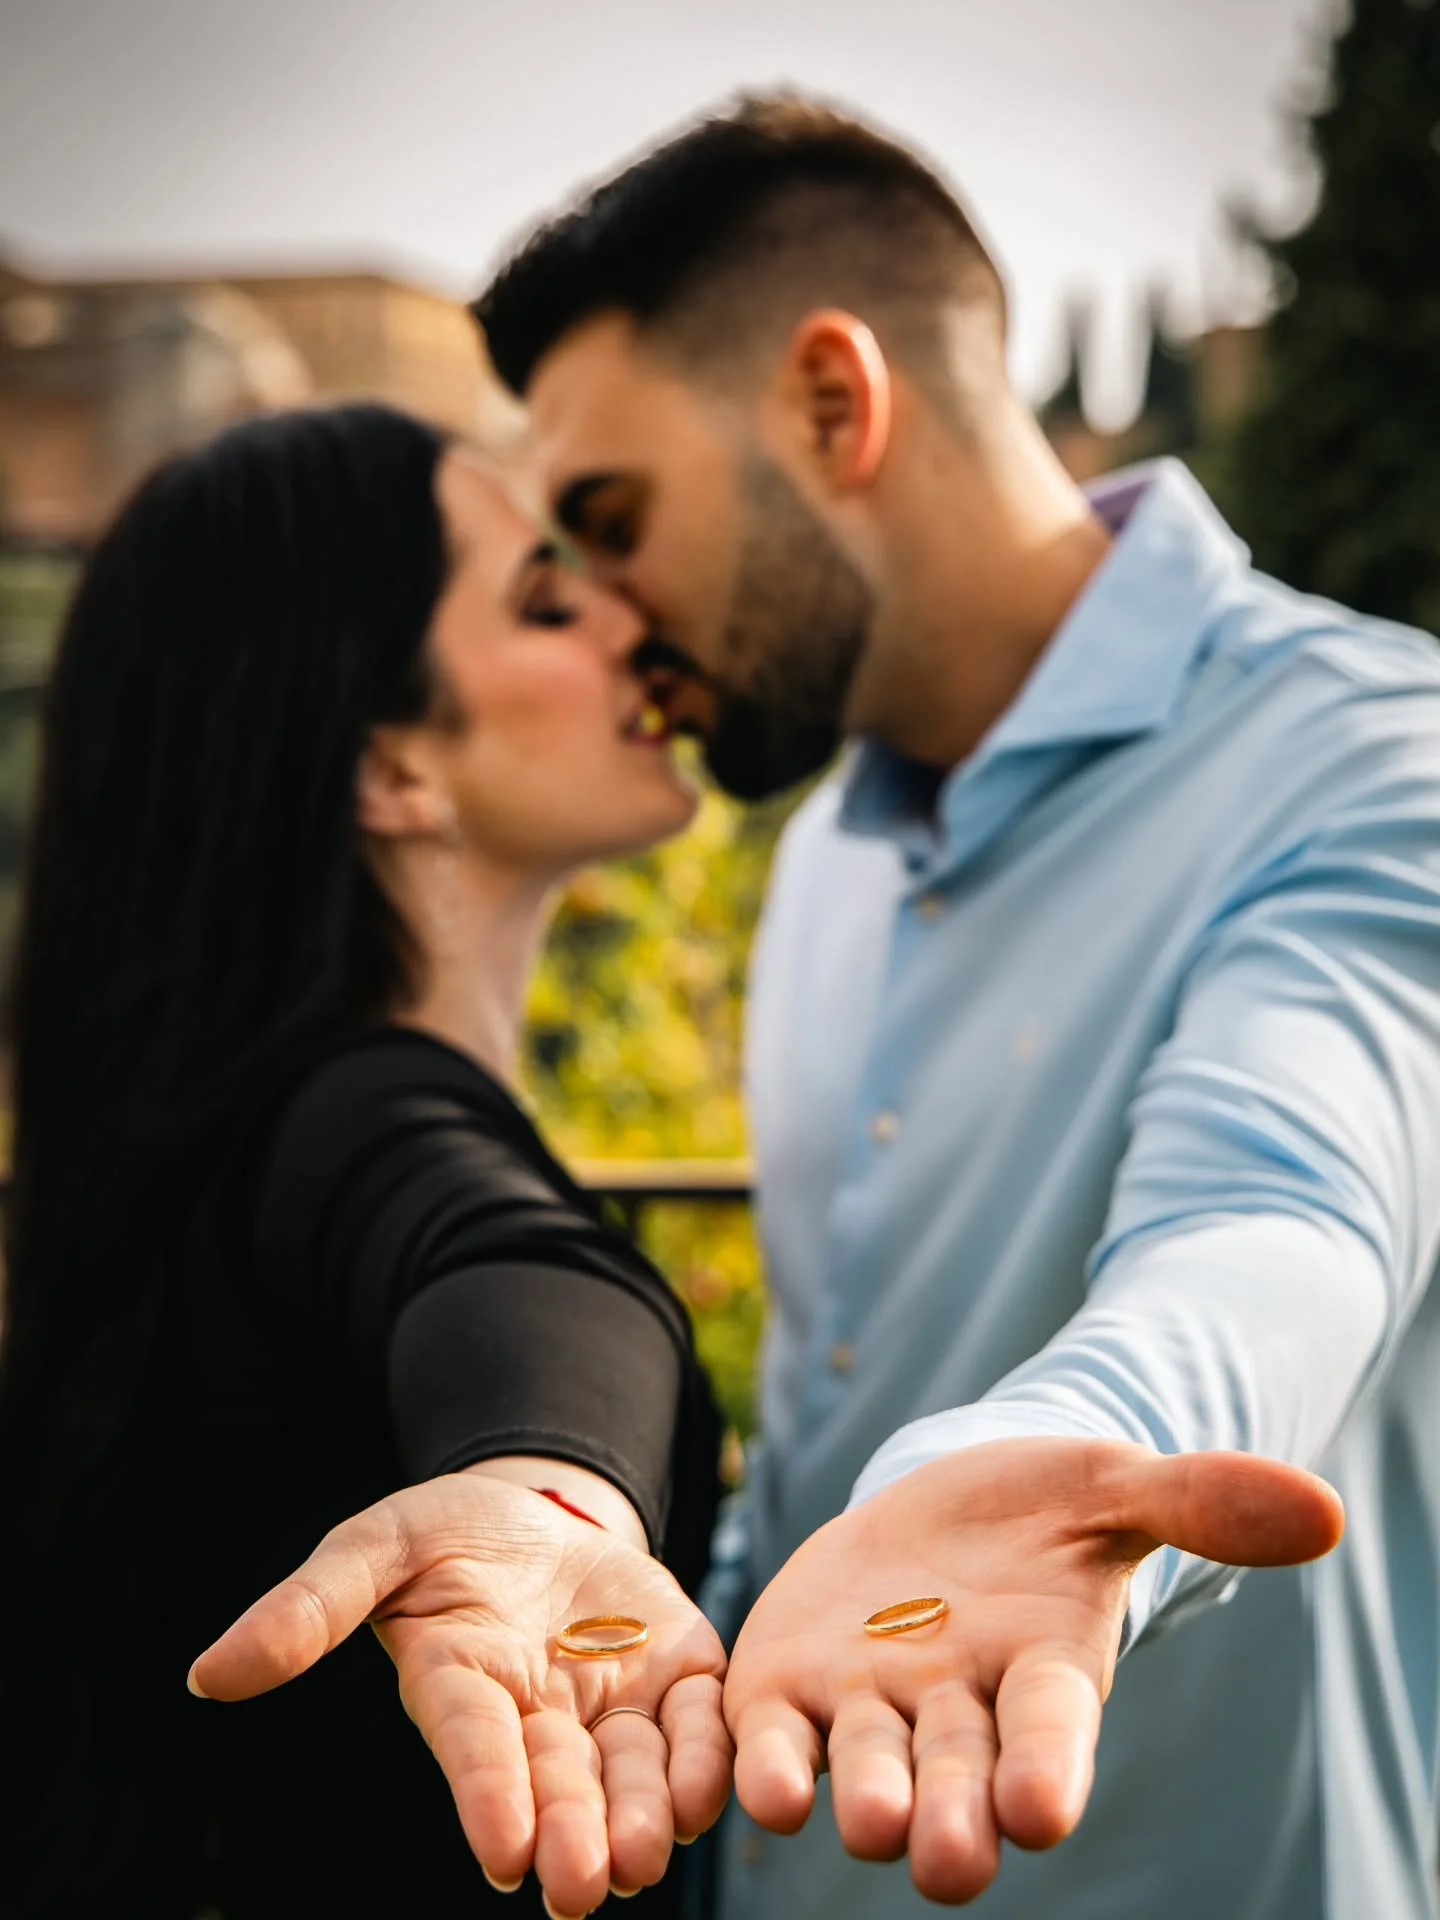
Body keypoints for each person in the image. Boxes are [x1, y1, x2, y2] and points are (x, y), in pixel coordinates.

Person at [0, 403, 733, 1920]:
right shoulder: (350, 1114)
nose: (630, 617)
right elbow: (498, 1252)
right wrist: (556, 1484)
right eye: (546, 597)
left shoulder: (244, 1112)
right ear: (392, 765)